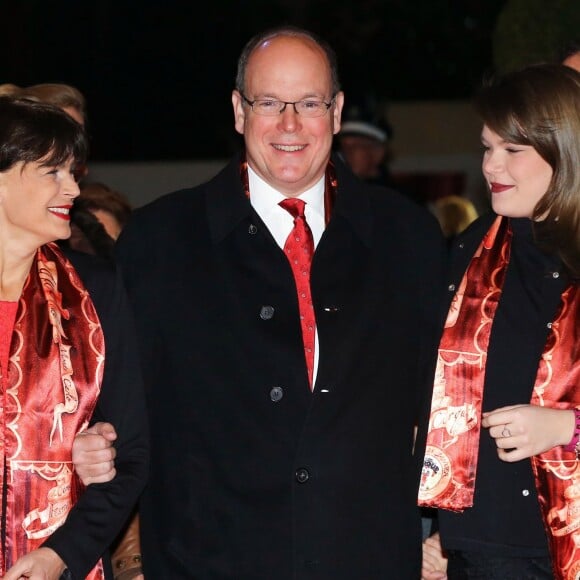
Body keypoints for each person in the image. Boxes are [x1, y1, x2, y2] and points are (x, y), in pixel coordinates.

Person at [74, 25, 446, 578]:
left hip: (367, 559)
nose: (290, 124)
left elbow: (445, 404)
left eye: (310, 103)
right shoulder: (159, 244)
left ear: (338, 111)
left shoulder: (407, 238)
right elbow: (116, 405)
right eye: (269, 102)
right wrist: (92, 441)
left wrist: (450, 534)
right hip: (207, 560)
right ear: (238, 110)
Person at [418, 63, 580, 579]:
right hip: (483, 551)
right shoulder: (472, 251)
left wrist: (568, 427)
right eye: (487, 147)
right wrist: (444, 535)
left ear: (565, 153)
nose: (491, 165)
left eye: (513, 150)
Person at [0, 96, 149, 579]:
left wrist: (60, 554)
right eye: (52, 172)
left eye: (73, 171)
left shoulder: (97, 291)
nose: (73, 188)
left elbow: (131, 453)